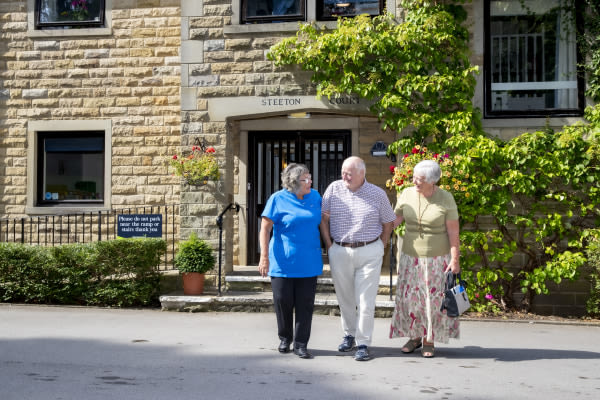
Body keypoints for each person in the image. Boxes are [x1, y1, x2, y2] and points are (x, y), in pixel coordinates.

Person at [320, 156, 396, 361]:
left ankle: (363, 342)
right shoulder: (333, 189)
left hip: (369, 250)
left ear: (362, 174)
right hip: (340, 250)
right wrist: (329, 245)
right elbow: (323, 219)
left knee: (365, 300)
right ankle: (349, 335)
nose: (345, 176)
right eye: (343, 172)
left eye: (349, 173)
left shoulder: (377, 193)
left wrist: (382, 244)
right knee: (345, 298)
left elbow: (389, 222)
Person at [389, 159, 461, 358]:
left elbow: (454, 232)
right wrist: (376, 235)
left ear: (432, 181)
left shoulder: (446, 198)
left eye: (419, 179)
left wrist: (455, 260)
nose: (415, 182)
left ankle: (429, 339)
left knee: (433, 300)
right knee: (412, 300)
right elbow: (394, 220)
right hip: (410, 257)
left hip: (437, 258)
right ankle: (414, 337)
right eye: (414, 177)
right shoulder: (407, 193)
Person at [259, 163, 323, 359]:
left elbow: (324, 222)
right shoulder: (277, 199)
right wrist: (264, 257)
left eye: (310, 178)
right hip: (282, 261)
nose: (310, 182)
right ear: (294, 182)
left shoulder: (315, 197)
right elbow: (265, 228)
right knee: (282, 301)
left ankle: (301, 343)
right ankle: (285, 337)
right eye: (306, 179)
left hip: (308, 261)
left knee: (305, 304)